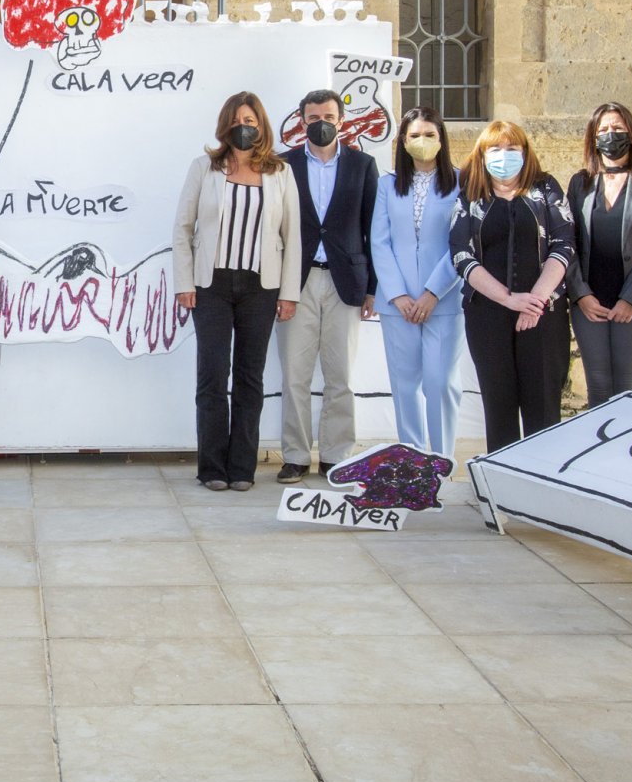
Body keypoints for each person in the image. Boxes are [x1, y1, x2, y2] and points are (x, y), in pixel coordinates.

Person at [172, 91, 302, 491]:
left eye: (251, 121)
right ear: (225, 125)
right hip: (211, 286)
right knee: (212, 375)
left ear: (261, 125)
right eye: (237, 121)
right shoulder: (204, 167)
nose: (244, 128)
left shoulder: (280, 172)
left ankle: (242, 467)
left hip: (261, 288)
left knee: (251, 377)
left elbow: (293, 235)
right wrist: (184, 283)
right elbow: (183, 229)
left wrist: (289, 292)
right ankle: (212, 466)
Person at [450, 120, 575, 452]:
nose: (503, 155)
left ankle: (542, 485)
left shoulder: (546, 189)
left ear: (525, 151)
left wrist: (534, 300)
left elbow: (564, 245)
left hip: (543, 313)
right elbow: (461, 255)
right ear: (482, 154)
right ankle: (501, 489)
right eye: (495, 149)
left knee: (543, 405)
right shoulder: (471, 196)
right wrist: (508, 299)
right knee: (499, 403)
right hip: (487, 314)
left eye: (511, 148)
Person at [276, 89, 378, 484]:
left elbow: (372, 229)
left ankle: (336, 455)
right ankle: (296, 456)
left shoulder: (362, 165)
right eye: (313, 116)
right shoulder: (282, 167)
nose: (322, 122)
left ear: (341, 119)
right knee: (295, 376)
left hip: (345, 283)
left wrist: (373, 288)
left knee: (341, 376)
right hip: (295, 282)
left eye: (329, 115)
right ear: (301, 120)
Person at [370, 109, 465, 460]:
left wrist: (432, 293)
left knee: (440, 384)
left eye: (429, 134)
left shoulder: (461, 182)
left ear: (441, 140)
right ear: (403, 141)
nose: (422, 141)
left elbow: (462, 242)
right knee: (405, 385)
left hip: (444, 300)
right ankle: (412, 460)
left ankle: (441, 460)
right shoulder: (387, 184)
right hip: (397, 304)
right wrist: (398, 295)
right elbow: (379, 241)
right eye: (414, 135)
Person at [565, 103, 632, 407]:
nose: (611, 135)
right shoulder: (580, 183)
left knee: (630, 386)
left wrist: (631, 299)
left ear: (631, 132)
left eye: (617, 129)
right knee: (598, 384)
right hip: (590, 302)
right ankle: (601, 454)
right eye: (603, 130)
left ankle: (629, 453)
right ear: (593, 137)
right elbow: (567, 242)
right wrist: (581, 294)